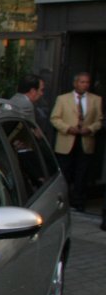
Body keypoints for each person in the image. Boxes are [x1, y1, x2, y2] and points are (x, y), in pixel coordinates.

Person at [50, 71, 102, 212]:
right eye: (82, 82)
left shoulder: (96, 100)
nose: (85, 85)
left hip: (85, 141)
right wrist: (68, 128)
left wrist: (90, 129)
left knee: (82, 173)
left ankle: (78, 202)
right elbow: (54, 118)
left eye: (87, 82)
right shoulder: (63, 99)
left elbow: (100, 120)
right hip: (66, 140)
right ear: (75, 83)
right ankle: (62, 202)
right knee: (64, 172)